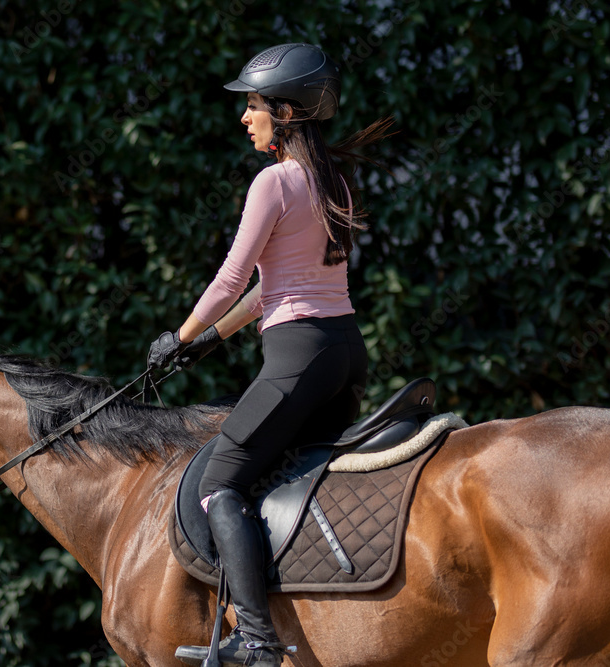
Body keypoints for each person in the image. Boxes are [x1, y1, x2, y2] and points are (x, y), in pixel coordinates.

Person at [147, 43, 394, 666]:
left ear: (285, 112)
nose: (245, 116)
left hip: (297, 357)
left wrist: (175, 337)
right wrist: (210, 339)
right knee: (288, 469)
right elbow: (272, 287)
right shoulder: (332, 177)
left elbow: (234, 277)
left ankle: (257, 638)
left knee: (218, 480)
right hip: (343, 353)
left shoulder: (273, 181)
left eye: (253, 105)